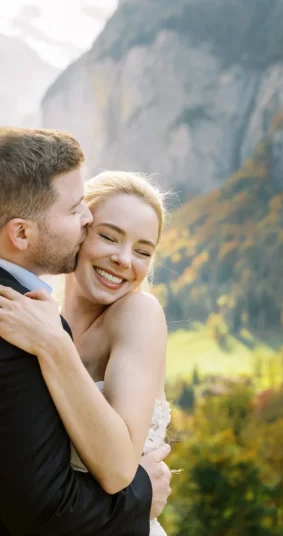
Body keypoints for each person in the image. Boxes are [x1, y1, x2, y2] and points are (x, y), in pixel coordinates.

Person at [0, 127, 171, 536]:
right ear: (83, 229)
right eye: (108, 236)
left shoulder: (138, 314)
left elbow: (116, 471)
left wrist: (54, 346)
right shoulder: (34, 314)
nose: (123, 259)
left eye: (144, 251)